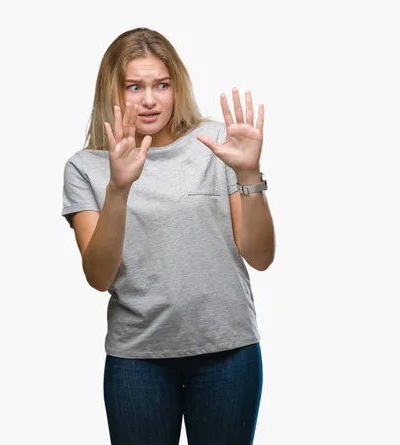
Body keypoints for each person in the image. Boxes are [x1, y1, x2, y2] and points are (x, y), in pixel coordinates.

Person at [61, 27, 275, 445]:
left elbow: (261, 255)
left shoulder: (217, 144)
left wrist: (248, 174)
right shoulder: (85, 167)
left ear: (177, 86)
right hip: (138, 360)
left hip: (227, 353)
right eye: (134, 86)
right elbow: (99, 276)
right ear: (112, 91)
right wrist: (118, 189)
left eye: (161, 84)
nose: (149, 99)